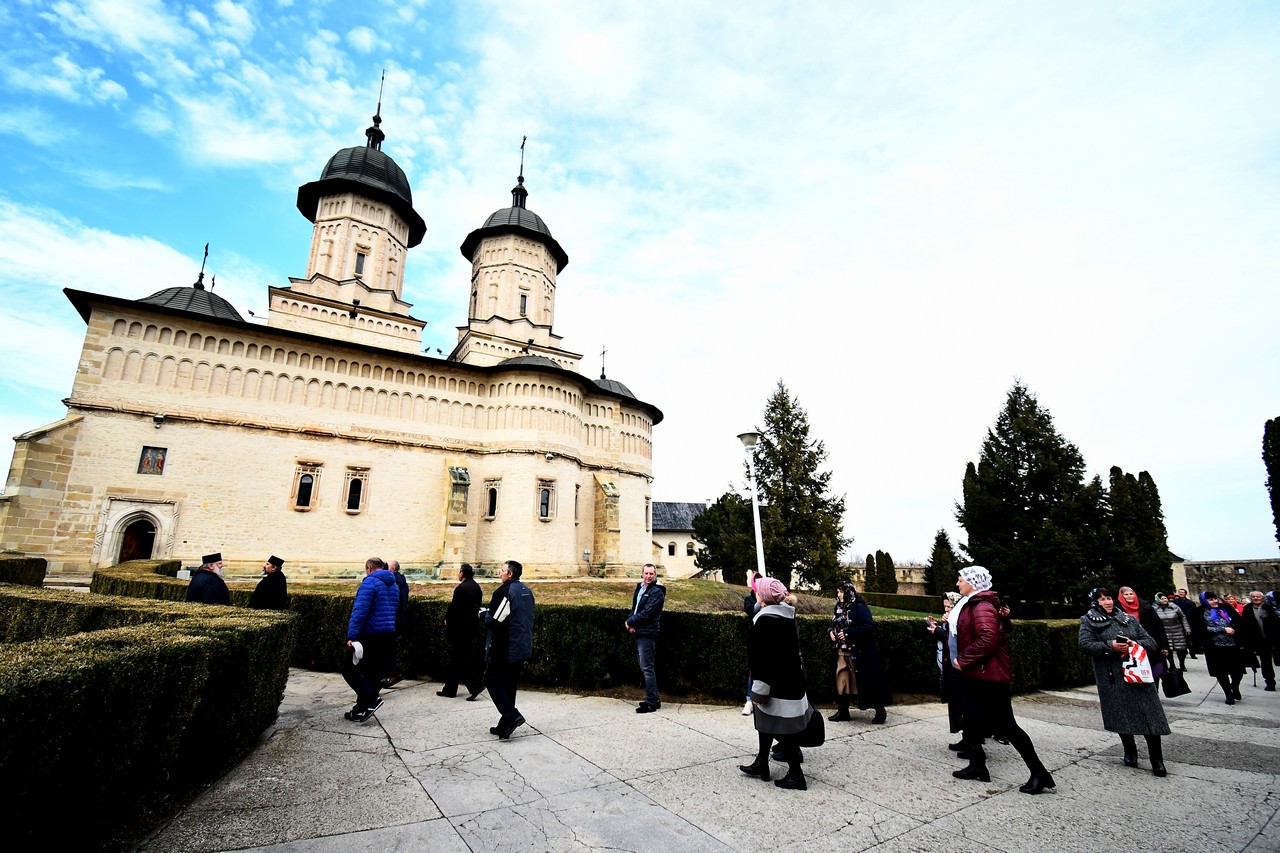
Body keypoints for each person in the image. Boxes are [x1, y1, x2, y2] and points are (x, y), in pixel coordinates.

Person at [950, 566, 1055, 795]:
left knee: (1007, 726)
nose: (957, 584)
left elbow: (988, 638)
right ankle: (978, 765)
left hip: (989, 677)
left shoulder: (981, 606)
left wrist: (963, 660)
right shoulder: (977, 604)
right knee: (971, 720)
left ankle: (1039, 773)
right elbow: (999, 628)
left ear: (973, 583)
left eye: (960, 580)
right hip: (979, 674)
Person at [1078, 588, 1171, 777]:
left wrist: (1133, 644)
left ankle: (1157, 760)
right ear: (1095, 603)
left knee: (1151, 716)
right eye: (1102, 599)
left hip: (1139, 673)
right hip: (1113, 675)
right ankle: (1130, 751)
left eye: (1109, 598)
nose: (1107, 602)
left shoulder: (1129, 619)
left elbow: (1150, 642)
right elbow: (1085, 644)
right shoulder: (1088, 620)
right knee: (1122, 714)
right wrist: (1110, 646)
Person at [738, 577, 814, 791]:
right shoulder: (786, 615)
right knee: (767, 724)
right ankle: (762, 762)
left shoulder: (765, 621)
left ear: (763, 597)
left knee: (783, 730)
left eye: (758, 591)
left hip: (775, 685)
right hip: (790, 681)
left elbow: (763, 660)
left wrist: (758, 691)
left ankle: (796, 774)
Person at [481, 559, 535, 739]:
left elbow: (494, 619)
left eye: (502, 570)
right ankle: (505, 726)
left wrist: (482, 614)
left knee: (491, 679)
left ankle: (512, 715)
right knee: (509, 684)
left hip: (506, 646)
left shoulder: (505, 591)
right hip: (521, 644)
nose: (500, 573)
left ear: (510, 574)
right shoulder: (526, 590)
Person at [341, 557, 399, 722]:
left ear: (369, 568)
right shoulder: (394, 585)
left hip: (369, 634)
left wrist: (352, 636)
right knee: (371, 673)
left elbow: (360, 611)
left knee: (348, 669)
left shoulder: (369, 583)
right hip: (387, 633)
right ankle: (359, 710)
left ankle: (372, 699)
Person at [839, 583, 890, 724]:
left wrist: (849, 632)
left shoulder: (859, 606)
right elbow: (836, 622)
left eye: (841, 592)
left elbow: (868, 625)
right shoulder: (842, 607)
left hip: (863, 650)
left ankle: (880, 710)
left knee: (870, 681)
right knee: (847, 681)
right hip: (847, 650)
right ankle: (844, 710)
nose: (839, 595)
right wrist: (831, 631)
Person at [438, 563, 485, 699]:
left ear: (462, 573)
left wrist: (448, 622)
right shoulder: (476, 587)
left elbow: (455, 609)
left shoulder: (461, 589)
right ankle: (452, 689)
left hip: (460, 630)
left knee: (458, 660)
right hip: (471, 628)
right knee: (460, 660)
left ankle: (472, 687)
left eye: (459, 572)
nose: (458, 574)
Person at [626, 563, 666, 713]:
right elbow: (635, 608)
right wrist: (630, 622)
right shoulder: (640, 588)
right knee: (645, 667)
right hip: (640, 631)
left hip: (648, 633)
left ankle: (651, 703)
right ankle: (654, 700)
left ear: (655, 575)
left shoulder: (657, 592)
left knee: (647, 668)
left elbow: (647, 613)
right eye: (646, 573)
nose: (648, 576)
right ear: (642, 574)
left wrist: (630, 622)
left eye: (651, 574)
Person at [1196, 591, 1246, 705]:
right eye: (1211, 600)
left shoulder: (1225, 608)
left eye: (1215, 599)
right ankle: (1228, 693)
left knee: (1238, 671)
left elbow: (1239, 622)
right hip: (1215, 647)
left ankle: (1234, 686)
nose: (1214, 601)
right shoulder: (1199, 612)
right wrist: (1223, 630)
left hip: (1233, 645)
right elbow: (1200, 629)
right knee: (1221, 672)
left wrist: (1235, 629)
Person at [926, 592, 964, 737]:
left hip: (957, 666)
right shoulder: (950, 618)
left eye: (949, 606)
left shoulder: (960, 618)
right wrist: (937, 628)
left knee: (960, 702)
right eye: (945, 606)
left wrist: (940, 630)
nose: (947, 609)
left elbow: (957, 640)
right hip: (947, 663)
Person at [1117, 586, 1169, 673]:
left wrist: (1164, 646)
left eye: (1131, 594)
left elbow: (1159, 626)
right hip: (1129, 647)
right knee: (1135, 673)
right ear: (1121, 597)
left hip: (1150, 644)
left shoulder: (1146, 607)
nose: (1129, 596)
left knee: (1156, 672)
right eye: (1126, 594)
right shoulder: (1117, 610)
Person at [1238, 590, 1277, 692]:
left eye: (1258, 596)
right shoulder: (1247, 609)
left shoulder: (1270, 607)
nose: (1255, 598)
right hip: (1260, 640)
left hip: (1274, 638)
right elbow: (1245, 626)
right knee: (1266, 661)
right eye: (1253, 597)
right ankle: (1270, 682)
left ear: (1263, 598)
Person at [381, 559, 409, 688]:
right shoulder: (403, 581)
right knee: (389, 647)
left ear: (393, 569)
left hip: (392, 619)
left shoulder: (392, 582)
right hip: (400, 619)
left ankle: (393, 673)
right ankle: (389, 673)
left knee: (386, 647)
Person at [1152, 592, 1192, 672]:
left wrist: (1187, 628)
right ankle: (1172, 665)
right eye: (1162, 599)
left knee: (1181, 649)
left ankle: (1182, 665)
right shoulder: (1154, 608)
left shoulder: (1174, 606)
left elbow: (1182, 617)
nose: (1164, 600)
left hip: (1177, 630)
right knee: (1168, 649)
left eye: (1165, 598)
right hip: (1164, 631)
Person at [741, 570, 761, 715]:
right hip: (754, 638)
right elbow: (751, 610)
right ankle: (749, 700)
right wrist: (760, 600)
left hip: (766, 638)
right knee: (753, 670)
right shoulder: (749, 599)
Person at [1172, 589, 1201, 657]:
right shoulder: (1174, 602)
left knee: (1189, 638)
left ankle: (1192, 653)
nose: (1181, 593)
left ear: (1185, 593)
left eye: (1182, 592)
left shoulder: (1190, 603)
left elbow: (1194, 613)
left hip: (1189, 622)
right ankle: (1184, 651)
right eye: (1179, 592)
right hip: (1178, 622)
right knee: (1181, 638)